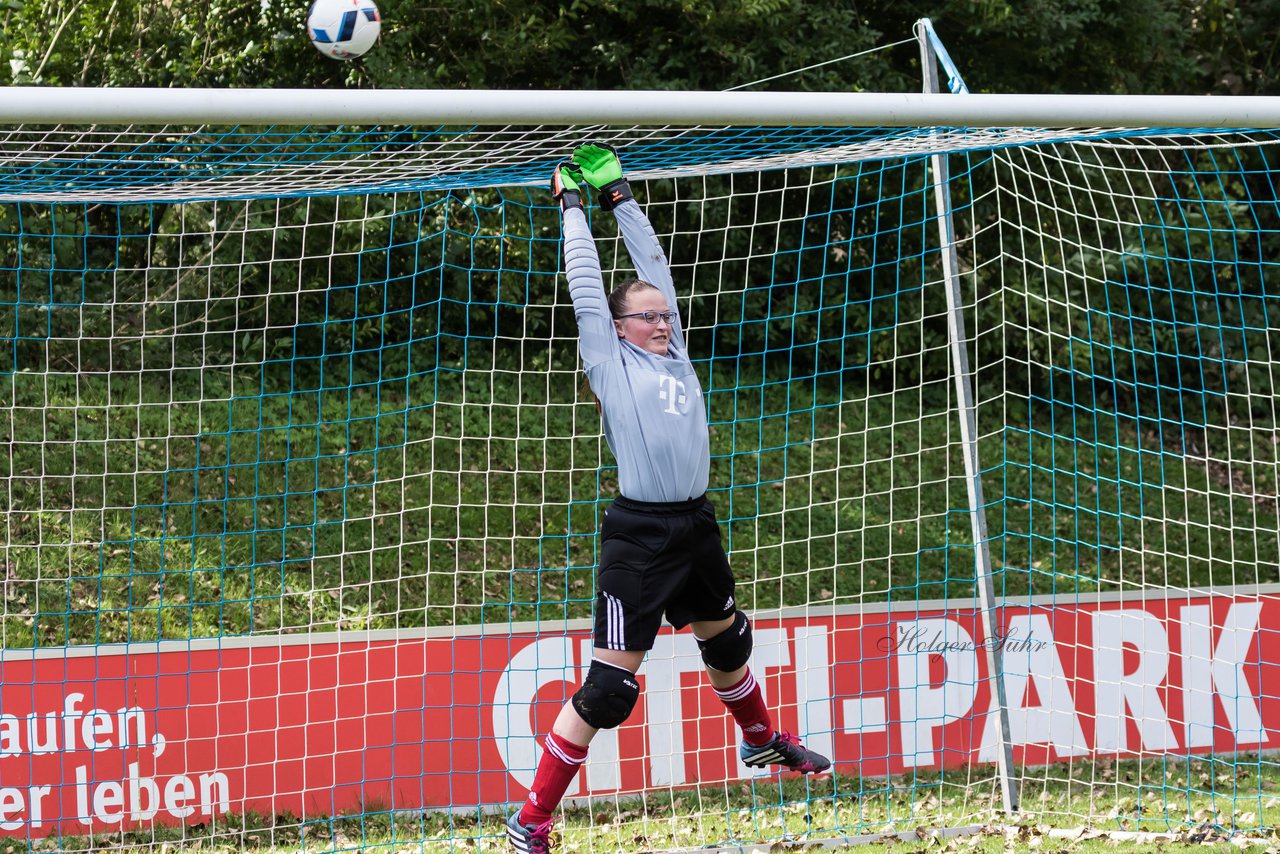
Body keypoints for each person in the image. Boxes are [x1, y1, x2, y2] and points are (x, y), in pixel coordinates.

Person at [506, 143, 831, 854]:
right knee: (608, 692)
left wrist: (621, 196)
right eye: (646, 317)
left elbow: (653, 266)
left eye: (664, 315)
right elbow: (588, 284)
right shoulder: (609, 358)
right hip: (641, 537)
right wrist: (573, 207)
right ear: (620, 328)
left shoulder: (675, 352)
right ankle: (529, 820)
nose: (661, 322)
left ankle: (761, 742)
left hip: (696, 527)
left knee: (729, 639)